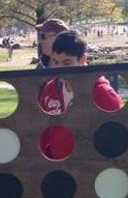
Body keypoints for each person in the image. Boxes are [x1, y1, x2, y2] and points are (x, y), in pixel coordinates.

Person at [38, 30, 122, 160]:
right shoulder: (49, 90)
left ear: (83, 60)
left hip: (89, 168)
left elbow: (116, 140)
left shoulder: (104, 95)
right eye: (55, 62)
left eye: (67, 63)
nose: (59, 69)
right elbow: (43, 134)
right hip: (57, 168)